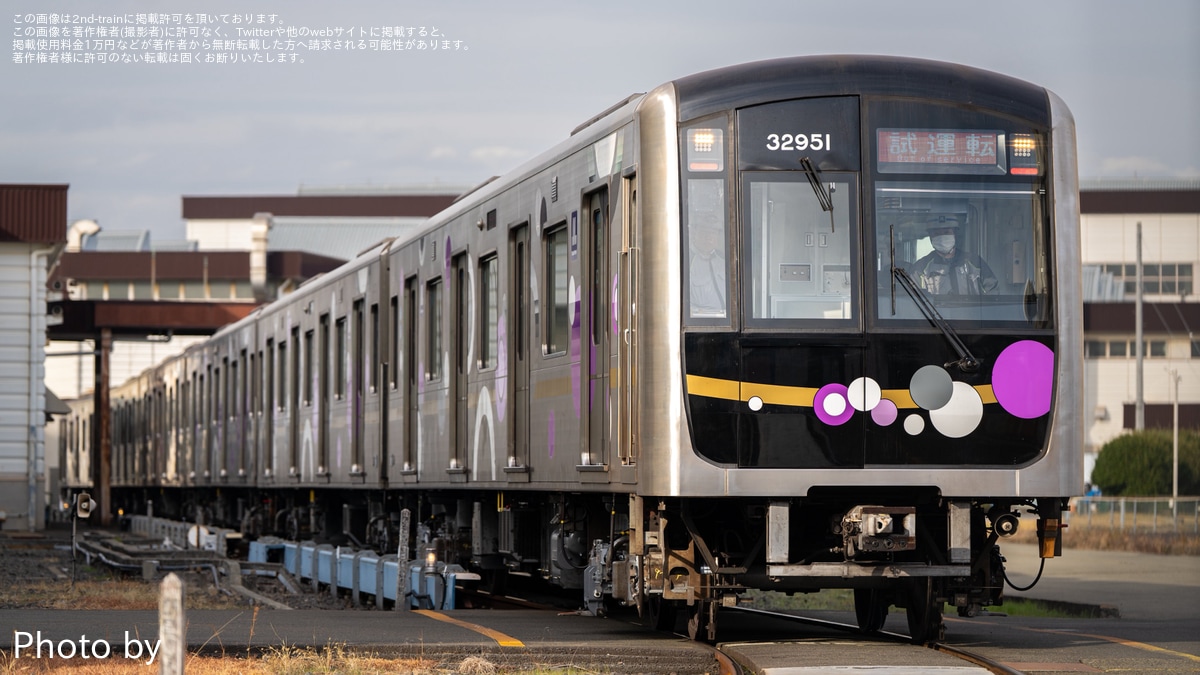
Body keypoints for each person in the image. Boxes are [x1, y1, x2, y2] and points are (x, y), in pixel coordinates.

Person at [908, 222, 998, 295]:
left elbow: (993, 295)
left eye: (946, 232)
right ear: (931, 237)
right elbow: (913, 303)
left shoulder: (975, 263)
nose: (942, 238)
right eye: (937, 234)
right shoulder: (920, 269)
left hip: (971, 313)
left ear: (955, 234)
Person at [689, 217, 727, 317]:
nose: (709, 237)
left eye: (713, 233)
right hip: (698, 320)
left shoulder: (723, 261)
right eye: (704, 232)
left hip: (725, 320)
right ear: (694, 234)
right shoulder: (685, 260)